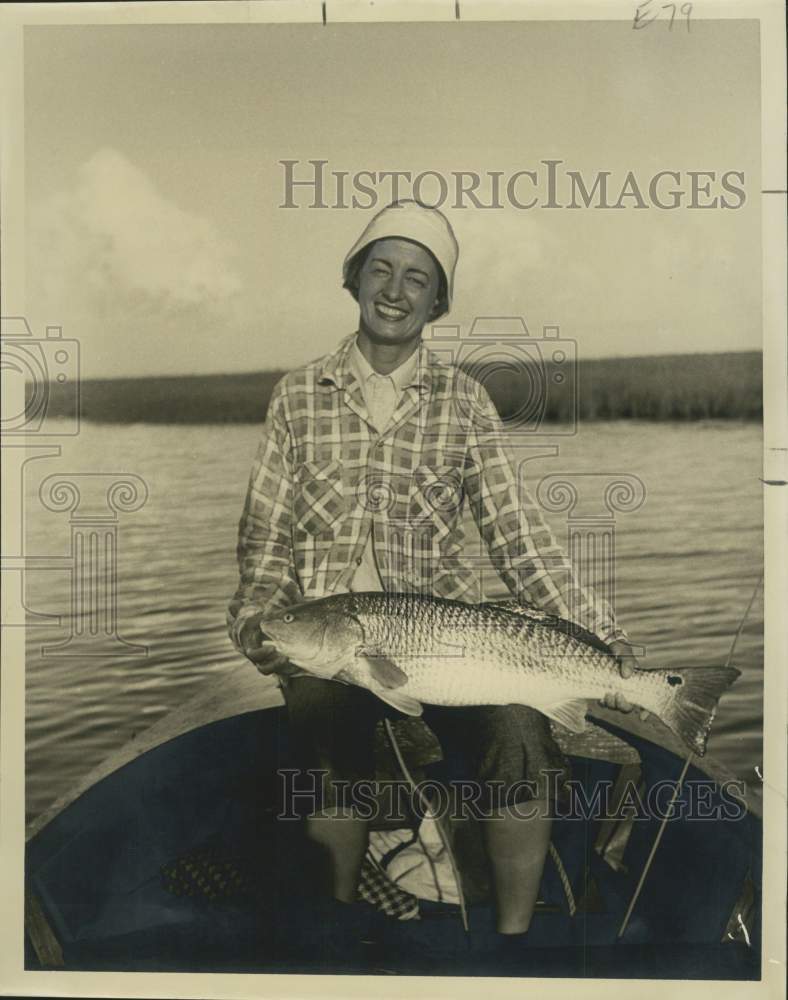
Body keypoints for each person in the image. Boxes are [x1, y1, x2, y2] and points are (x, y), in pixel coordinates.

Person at [227, 200, 640, 939]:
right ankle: (338, 931)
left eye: (417, 278)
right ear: (353, 282)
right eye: (380, 269)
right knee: (325, 730)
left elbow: (520, 541)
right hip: (334, 647)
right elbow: (264, 543)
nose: (395, 289)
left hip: (453, 647)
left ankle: (514, 947)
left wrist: (604, 639)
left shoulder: (466, 403)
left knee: (520, 733)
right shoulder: (297, 396)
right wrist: (262, 624)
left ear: (437, 301)